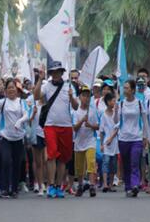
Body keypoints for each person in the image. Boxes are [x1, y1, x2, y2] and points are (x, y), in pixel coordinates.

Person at [33, 61, 78, 199]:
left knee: (63, 158)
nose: (56, 74)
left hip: (66, 126)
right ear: (51, 74)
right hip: (50, 125)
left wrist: (71, 97)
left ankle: (59, 185)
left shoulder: (69, 86)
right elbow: (36, 96)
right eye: (53, 72)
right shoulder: (46, 86)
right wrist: (40, 79)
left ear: (62, 73)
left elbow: (76, 107)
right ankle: (51, 185)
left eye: (58, 71)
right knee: (51, 155)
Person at [0, 79, 29, 198]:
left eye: (13, 87)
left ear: (16, 89)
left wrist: (20, 121)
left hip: (18, 137)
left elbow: (26, 115)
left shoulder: (21, 102)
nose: (11, 90)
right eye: (9, 88)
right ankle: (4, 188)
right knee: (6, 160)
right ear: (6, 90)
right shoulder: (3, 102)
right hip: (5, 136)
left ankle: (13, 189)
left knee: (17, 163)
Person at [113, 80, 150, 197]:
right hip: (123, 138)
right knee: (126, 164)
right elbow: (116, 122)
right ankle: (128, 186)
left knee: (135, 162)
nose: (125, 90)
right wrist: (115, 111)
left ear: (133, 90)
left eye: (127, 88)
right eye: (124, 88)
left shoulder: (139, 103)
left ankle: (135, 185)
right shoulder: (121, 104)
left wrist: (145, 137)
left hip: (136, 138)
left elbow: (144, 121)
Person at [73, 86, 99, 197]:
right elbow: (74, 128)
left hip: (90, 141)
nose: (86, 98)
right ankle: (80, 185)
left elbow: (98, 126)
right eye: (84, 95)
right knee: (79, 167)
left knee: (91, 162)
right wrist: (82, 121)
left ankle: (92, 185)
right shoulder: (76, 111)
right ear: (79, 97)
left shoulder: (93, 111)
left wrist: (90, 125)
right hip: (79, 142)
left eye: (88, 96)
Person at [99, 93, 119, 192]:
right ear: (107, 102)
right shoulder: (103, 115)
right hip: (107, 143)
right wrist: (101, 144)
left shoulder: (116, 114)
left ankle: (110, 184)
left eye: (114, 101)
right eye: (112, 101)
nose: (114, 102)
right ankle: (105, 184)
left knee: (113, 164)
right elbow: (101, 131)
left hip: (114, 142)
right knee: (105, 163)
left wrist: (111, 138)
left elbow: (118, 127)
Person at [30, 95, 46, 196]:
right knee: (39, 162)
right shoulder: (33, 106)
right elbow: (29, 122)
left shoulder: (49, 106)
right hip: (37, 134)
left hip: (48, 134)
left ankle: (48, 184)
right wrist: (33, 114)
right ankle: (40, 186)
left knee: (47, 160)